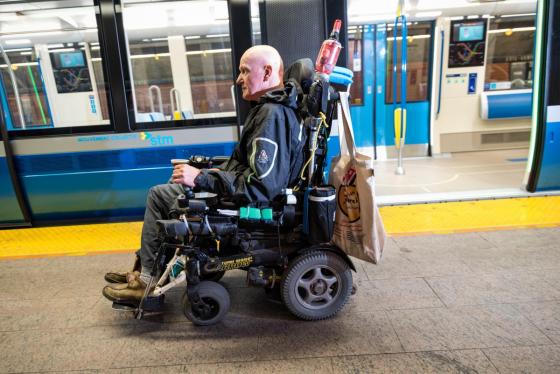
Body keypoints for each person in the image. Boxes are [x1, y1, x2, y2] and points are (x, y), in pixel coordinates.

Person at [102, 45, 306, 302]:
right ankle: (147, 267)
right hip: (247, 193)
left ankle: (146, 281)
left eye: (244, 71)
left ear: (266, 72)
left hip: (258, 206)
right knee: (174, 182)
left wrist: (201, 178)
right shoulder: (269, 108)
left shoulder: (272, 116)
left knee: (159, 195)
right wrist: (207, 172)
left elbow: (263, 186)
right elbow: (249, 167)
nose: (238, 79)